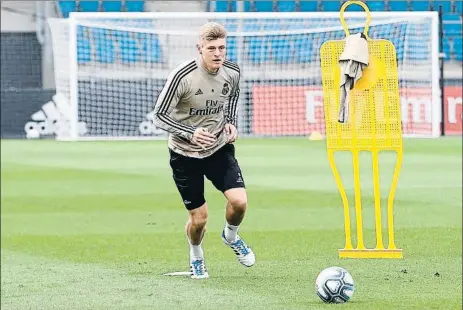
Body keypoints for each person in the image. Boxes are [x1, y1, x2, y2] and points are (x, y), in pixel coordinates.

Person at [152, 22, 255, 279]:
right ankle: (196, 255)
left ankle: (231, 236)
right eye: (212, 48)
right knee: (199, 219)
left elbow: (232, 96)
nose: (218, 53)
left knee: (240, 202)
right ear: (199, 48)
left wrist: (230, 122)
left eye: (222, 47)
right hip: (184, 155)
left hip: (219, 149)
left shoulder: (232, 71)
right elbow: (159, 116)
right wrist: (190, 133)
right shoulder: (182, 76)